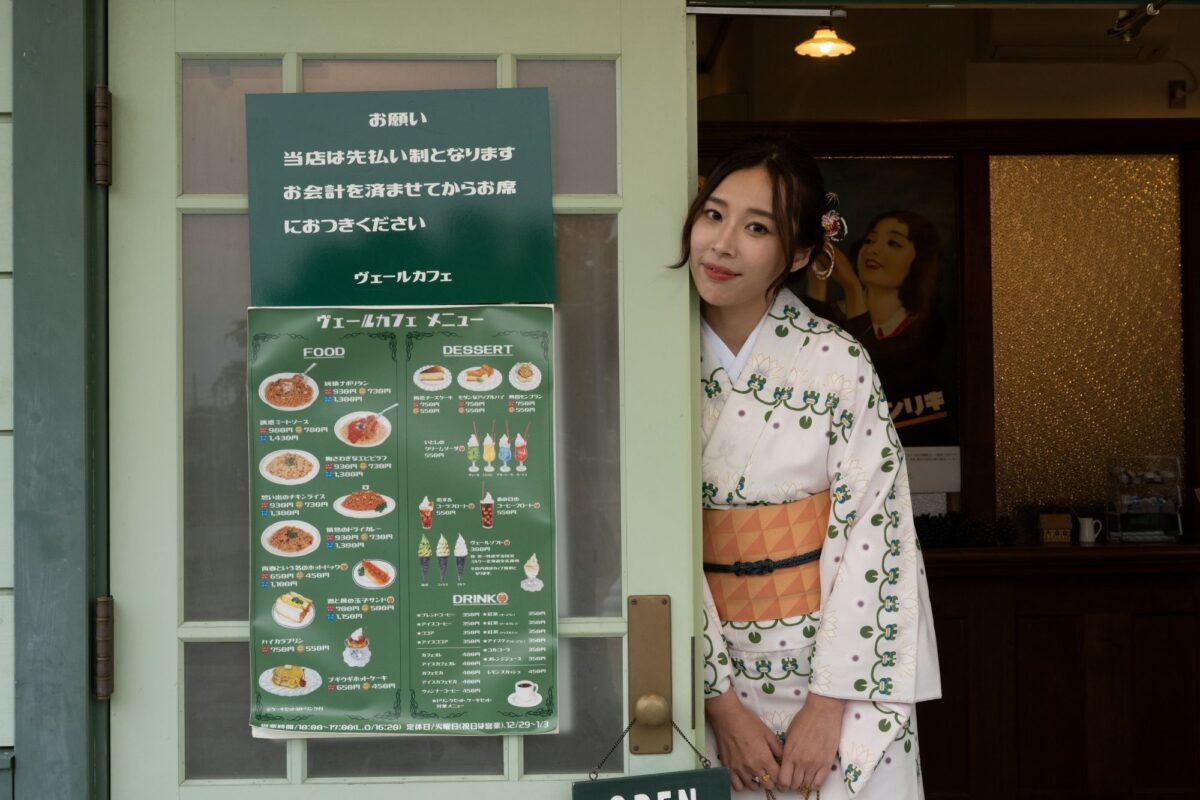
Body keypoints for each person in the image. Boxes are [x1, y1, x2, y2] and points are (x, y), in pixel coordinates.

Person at [680, 137, 941, 798]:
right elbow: (647, 534)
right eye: (713, 214)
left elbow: (876, 535)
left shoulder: (837, 363)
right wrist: (721, 705)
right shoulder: (654, 352)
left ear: (798, 253)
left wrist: (829, 705)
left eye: (756, 227)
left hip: (833, 675)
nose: (722, 243)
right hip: (708, 676)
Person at [806, 211, 949, 443]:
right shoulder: (834, 312)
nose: (872, 250)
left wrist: (852, 288)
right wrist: (817, 286)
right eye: (870, 240)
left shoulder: (927, 327)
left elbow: (875, 372)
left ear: (919, 259)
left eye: (893, 243)